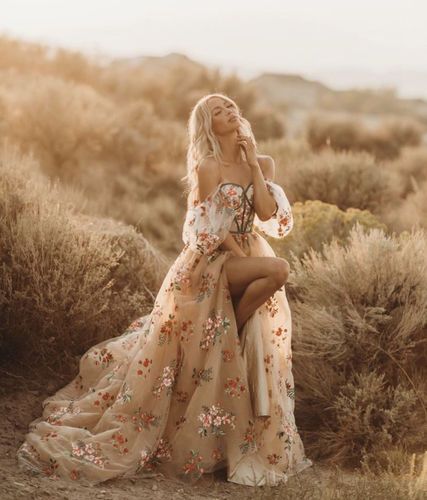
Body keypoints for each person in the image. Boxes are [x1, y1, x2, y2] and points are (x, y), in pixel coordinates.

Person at [16, 92, 313, 487]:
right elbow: (211, 227)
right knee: (277, 269)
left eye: (231, 107)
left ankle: (232, 326)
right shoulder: (208, 166)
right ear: (208, 125)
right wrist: (238, 251)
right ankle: (232, 324)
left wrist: (254, 163)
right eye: (218, 111)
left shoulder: (263, 162)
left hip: (247, 252)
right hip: (213, 258)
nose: (229, 112)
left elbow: (264, 212)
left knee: (272, 275)